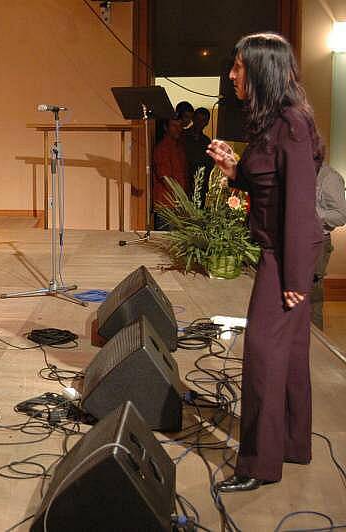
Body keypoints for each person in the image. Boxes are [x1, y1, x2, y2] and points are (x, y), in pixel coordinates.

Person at [207, 32, 324, 492]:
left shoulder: (291, 123)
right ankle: (293, 445)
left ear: (262, 70)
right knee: (291, 357)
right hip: (281, 250)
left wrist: (294, 277)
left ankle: (258, 464)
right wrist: (234, 170)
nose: (232, 74)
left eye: (238, 67)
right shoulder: (271, 121)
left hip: (286, 254)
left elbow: (298, 204)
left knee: (262, 357)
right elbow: (268, 188)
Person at [312, 163, 346, 329]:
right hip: (297, 241)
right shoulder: (299, 172)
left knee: (312, 298)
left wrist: (313, 214)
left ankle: (315, 350)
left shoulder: (329, 177)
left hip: (318, 242)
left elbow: (341, 215)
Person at [152, 114, 187, 229]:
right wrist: (180, 198)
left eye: (180, 126)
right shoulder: (162, 147)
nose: (178, 129)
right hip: (167, 205)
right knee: (164, 242)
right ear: (166, 127)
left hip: (177, 204)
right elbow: (165, 177)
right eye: (174, 125)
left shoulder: (180, 147)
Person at [183, 107, 213, 206]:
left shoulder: (206, 141)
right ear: (193, 119)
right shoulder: (182, 136)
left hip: (200, 188)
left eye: (203, 120)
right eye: (198, 119)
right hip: (183, 186)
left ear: (207, 123)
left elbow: (209, 165)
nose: (200, 123)